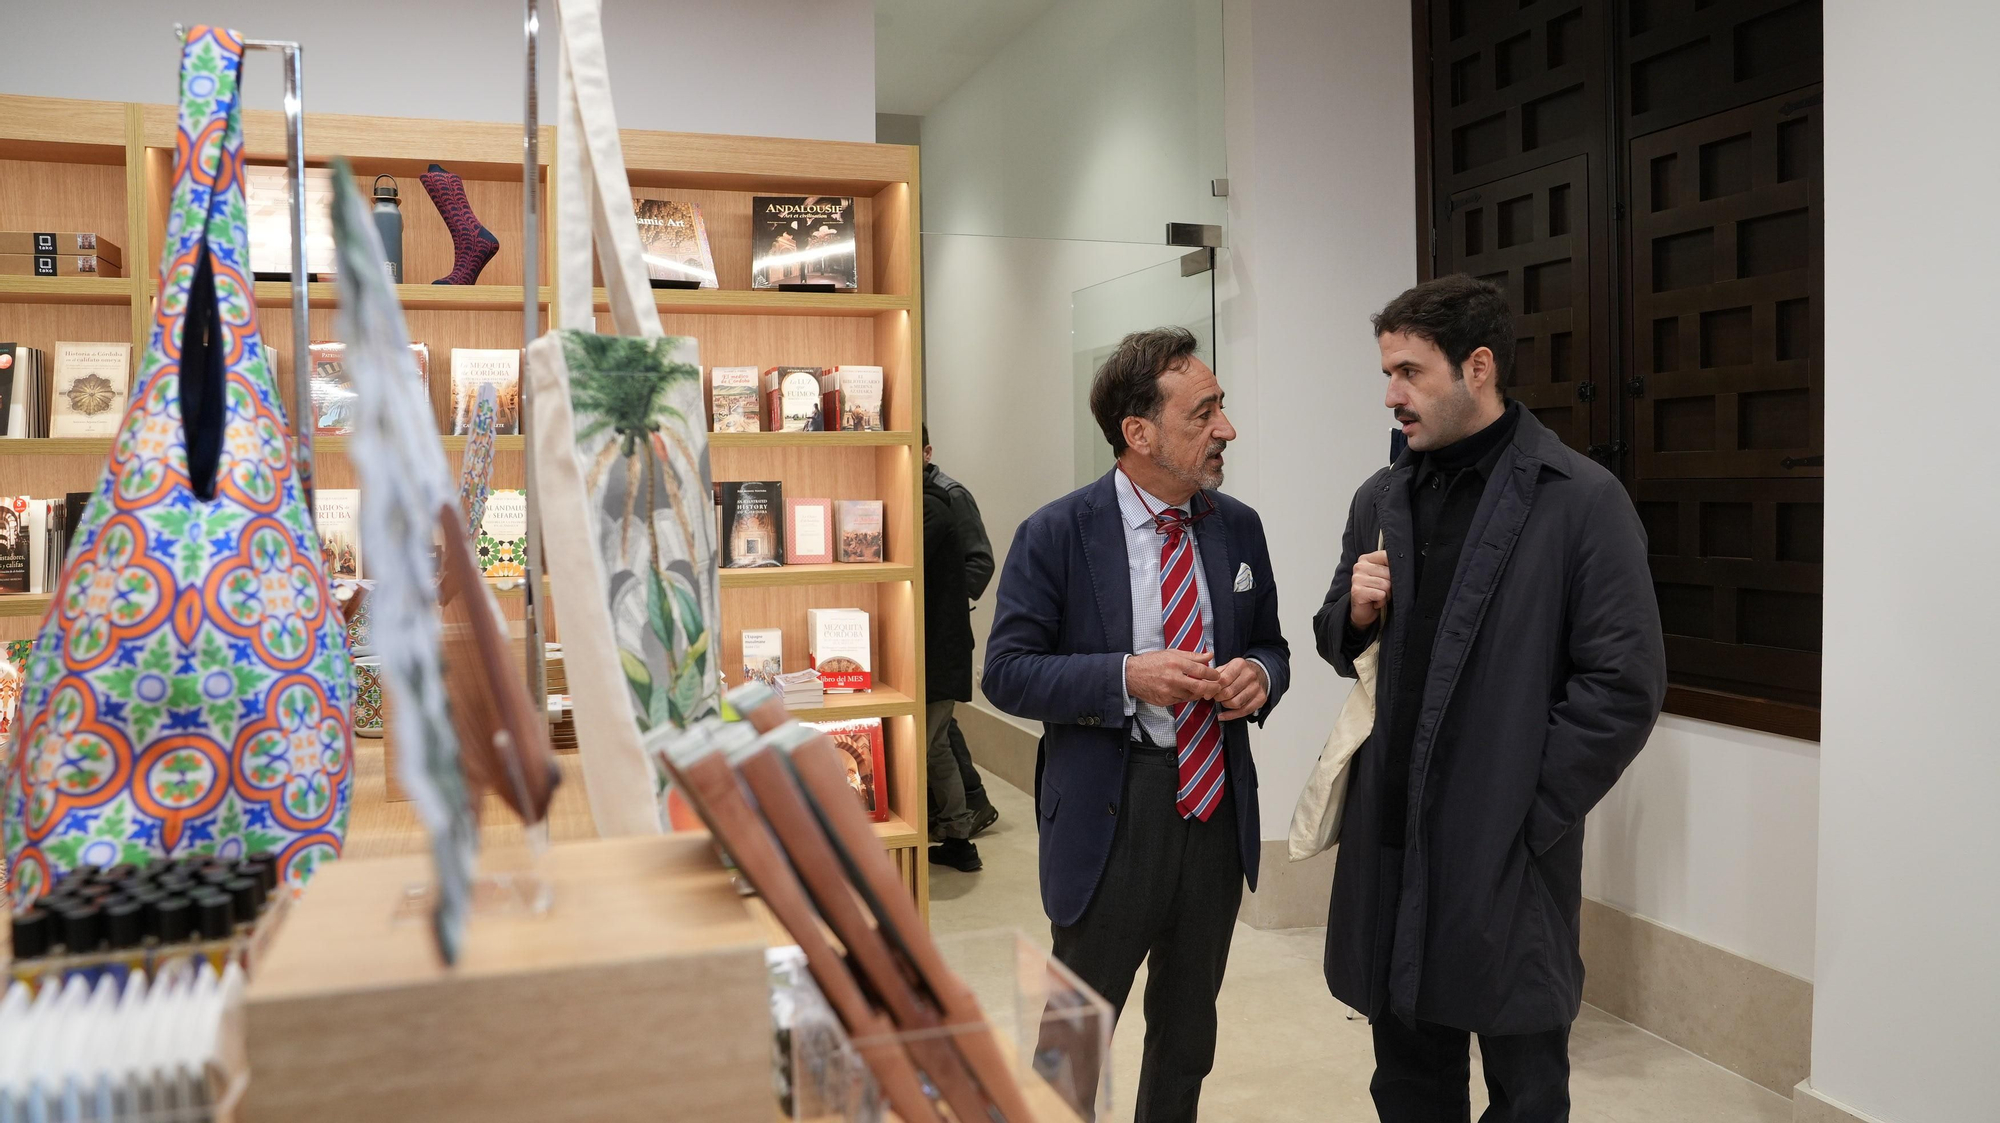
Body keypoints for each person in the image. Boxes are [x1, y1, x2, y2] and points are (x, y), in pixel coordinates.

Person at [1315, 274, 1666, 1122]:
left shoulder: (1581, 500)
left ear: (1479, 367)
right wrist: (1352, 612)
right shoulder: (1380, 497)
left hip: (1508, 851)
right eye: (1387, 374)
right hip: (1393, 838)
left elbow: (1623, 685)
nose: (1392, 395)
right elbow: (1336, 638)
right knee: (1407, 1082)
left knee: (1526, 1086)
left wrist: (1530, 812)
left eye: (1409, 372)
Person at [985, 326, 1289, 1122]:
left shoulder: (1238, 527)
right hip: (1111, 809)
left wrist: (1259, 675)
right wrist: (1127, 675)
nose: (1226, 429)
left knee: (1188, 1035)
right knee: (1075, 1042)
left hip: (1213, 808)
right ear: (1139, 432)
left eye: (1222, 407)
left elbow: (1271, 643)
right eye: (1204, 413)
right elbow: (1007, 671)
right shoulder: (1058, 532)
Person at [924, 425, 1000, 836]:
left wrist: (947, 605)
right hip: (934, 627)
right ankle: (964, 806)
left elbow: (980, 560)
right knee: (940, 727)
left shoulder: (950, 495)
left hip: (942, 627)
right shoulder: (916, 491)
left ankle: (971, 803)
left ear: (927, 452)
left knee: (938, 727)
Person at [924, 475, 981, 871]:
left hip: (936, 656)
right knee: (937, 747)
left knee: (921, 747)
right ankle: (958, 836)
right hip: (943, 653)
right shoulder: (936, 505)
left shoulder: (929, 509)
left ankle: (957, 837)